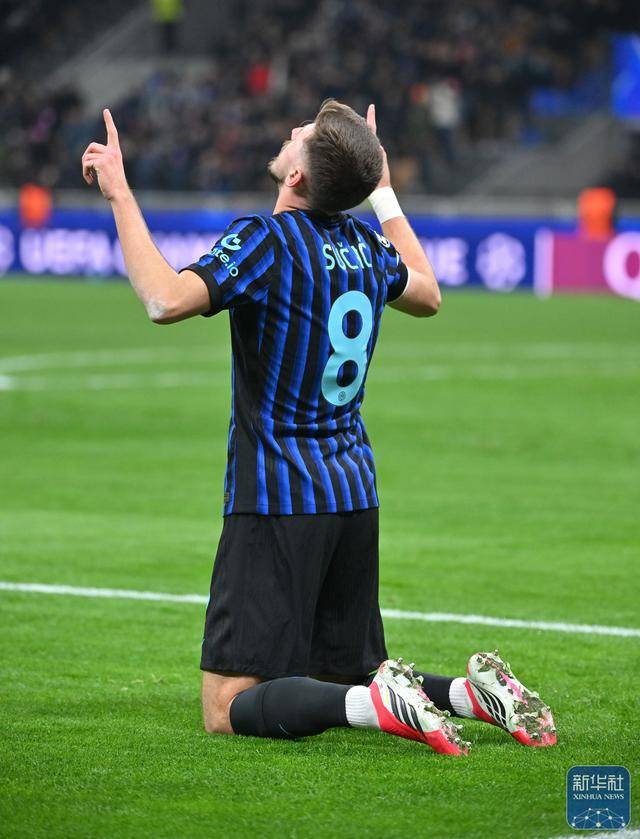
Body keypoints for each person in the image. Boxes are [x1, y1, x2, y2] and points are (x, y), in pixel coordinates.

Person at [81, 101, 557, 755]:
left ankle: (378, 705)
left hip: (277, 495)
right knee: (341, 670)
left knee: (227, 705)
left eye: (301, 135)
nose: (292, 131)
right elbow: (429, 293)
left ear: (298, 176)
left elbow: (164, 299)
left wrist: (119, 192)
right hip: (353, 492)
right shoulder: (365, 246)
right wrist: (382, 189)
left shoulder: (267, 240)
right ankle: (470, 696)